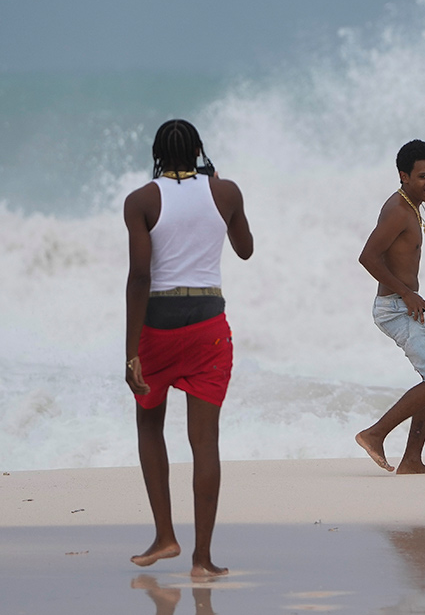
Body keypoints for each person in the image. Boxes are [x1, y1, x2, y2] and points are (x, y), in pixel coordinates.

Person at [124, 119, 253, 577]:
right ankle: (203, 559)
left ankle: (165, 536)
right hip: (208, 328)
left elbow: (140, 276)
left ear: (157, 152)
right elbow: (245, 249)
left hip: (157, 327)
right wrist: (218, 187)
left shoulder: (141, 200)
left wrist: (130, 351)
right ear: (199, 150)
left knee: (148, 423)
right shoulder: (226, 192)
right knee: (205, 442)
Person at [355, 139, 425, 475]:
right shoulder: (398, 211)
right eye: (424, 176)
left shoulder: (409, 205)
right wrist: (407, 294)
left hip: (401, 303)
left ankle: (412, 460)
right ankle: (375, 434)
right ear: (404, 176)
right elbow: (367, 257)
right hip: (396, 307)